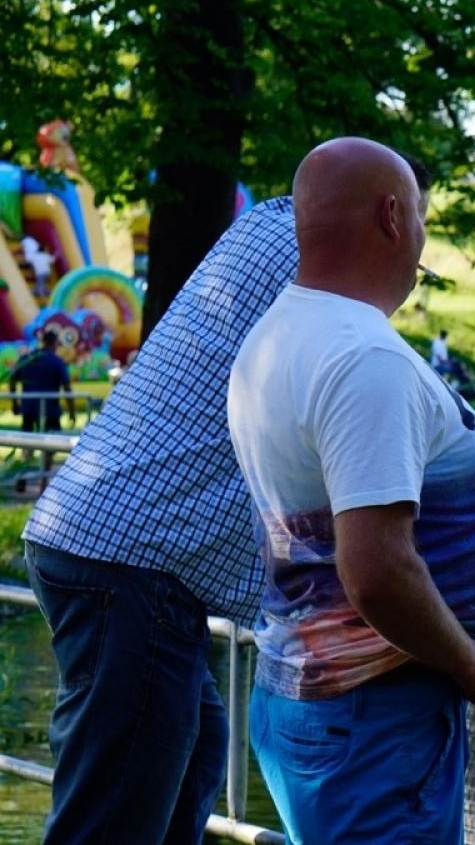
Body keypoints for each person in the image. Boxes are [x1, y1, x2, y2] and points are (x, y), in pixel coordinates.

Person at [228, 137, 475, 843]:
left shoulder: (274, 337)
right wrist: (473, 663)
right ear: (392, 217)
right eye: (419, 216)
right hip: (375, 718)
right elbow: (376, 569)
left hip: (321, 701)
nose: (421, 236)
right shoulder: (364, 359)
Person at [21, 196, 299, 843]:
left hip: (101, 536)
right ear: (390, 215)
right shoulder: (323, 260)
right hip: (132, 559)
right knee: (112, 815)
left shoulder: (266, 226)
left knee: (194, 753)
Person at [10, 329, 74, 433]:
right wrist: (72, 411)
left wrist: (14, 403)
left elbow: (12, 380)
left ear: (43, 342)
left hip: (28, 409)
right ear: (55, 343)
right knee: (52, 440)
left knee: (26, 440)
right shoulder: (57, 362)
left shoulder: (27, 359)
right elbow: (67, 387)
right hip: (50, 410)